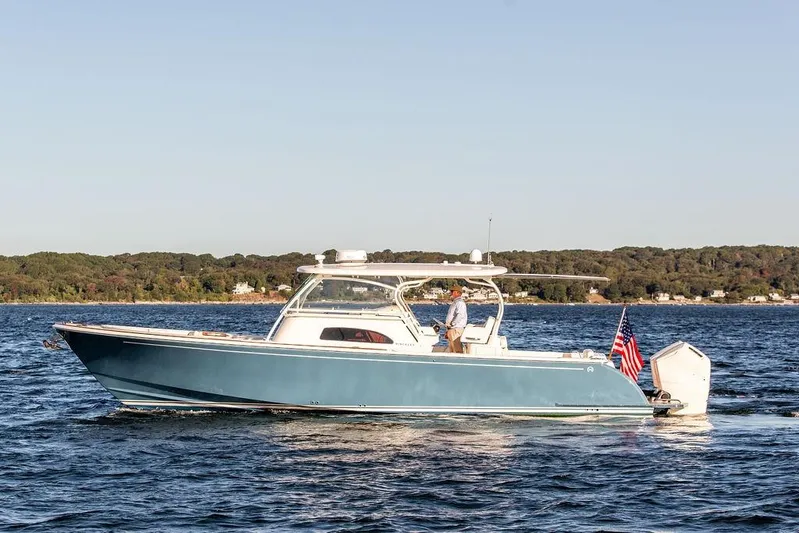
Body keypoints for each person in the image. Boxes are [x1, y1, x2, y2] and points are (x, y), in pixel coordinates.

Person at [445, 285, 467, 353]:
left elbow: (460, 315)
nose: (451, 293)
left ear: (457, 292)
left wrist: (452, 324)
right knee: (452, 350)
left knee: (457, 350)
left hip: (456, 329)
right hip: (453, 329)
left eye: (452, 291)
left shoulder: (460, 303)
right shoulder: (456, 302)